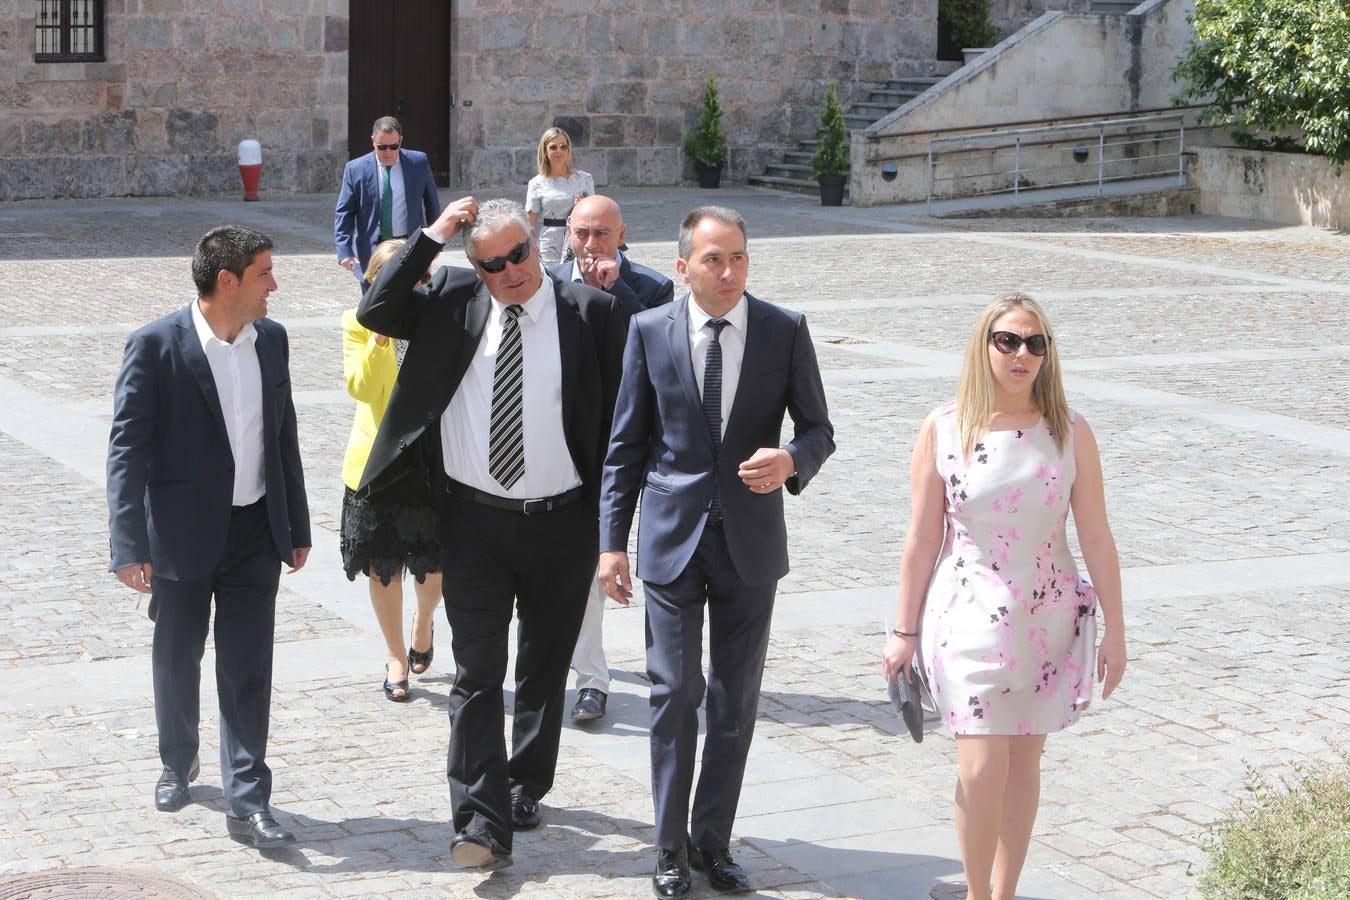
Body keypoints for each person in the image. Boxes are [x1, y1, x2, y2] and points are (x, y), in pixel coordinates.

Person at [357, 197, 628, 872]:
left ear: (535, 242)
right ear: (473, 266)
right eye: (492, 263)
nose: (511, 271)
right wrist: (433, 237)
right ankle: (478, 820)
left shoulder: (591, 314)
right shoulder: (450, 297)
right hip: (472, 520)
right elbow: (377, 310)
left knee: (542, 667)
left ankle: (525, 783)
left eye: (519, 254)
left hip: (562, 520)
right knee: (477, 673)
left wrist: (611, 529)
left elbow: (619, 429)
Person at [599, 206, 835, 898]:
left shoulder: (783, 330)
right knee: (674, 693)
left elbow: (819, 428)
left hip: (751, 543)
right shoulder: (649, 331)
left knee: (734, 703)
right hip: (671, 541)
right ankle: (668, 847)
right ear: (683, 267)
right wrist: (612, 544)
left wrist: (792, 458)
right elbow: (625, 448)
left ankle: (712, 842)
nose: (728, 272)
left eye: (738, 258)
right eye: (712, 259)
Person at [881, 292, 1126, 900]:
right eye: (1008, 340)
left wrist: (1117, 629)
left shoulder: (1070, 432)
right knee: (981, 765)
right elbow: (921, 536)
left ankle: (1004, 891)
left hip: (1048, 616)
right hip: (967, 612)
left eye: (1036, 343)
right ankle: (974, 893)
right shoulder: (944, 427)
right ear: (983, 346)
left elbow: (1095, 534)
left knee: (1022, 765)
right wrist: (902, 630)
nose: (1023, 354)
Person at [106, 225, 311, 850]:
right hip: (179, 533)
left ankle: (248, 799)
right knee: (177, 657)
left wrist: (295, 524)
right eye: (265, 273)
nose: (275, 284)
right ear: (229, 281)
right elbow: (127, 451)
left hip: (255, 530)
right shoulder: (154, 346)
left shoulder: (270, 340)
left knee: (249, 667)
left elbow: (284, 436)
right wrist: (127, 544)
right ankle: (177, 759)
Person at [548, 193, 675, 722]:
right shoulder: (550, 281)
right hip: (558, 438)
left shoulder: (651, 287)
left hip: (624, 441)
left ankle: (610, 678)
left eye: (602, 233)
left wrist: (614, 290)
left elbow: (658, 350)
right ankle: (580, 675)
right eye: (582, 233)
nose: (590, 244)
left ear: (622, 235)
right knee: (569, 566)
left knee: (607, 560)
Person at [340, 238, 444, 702]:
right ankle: (396, 655)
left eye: (415, 280)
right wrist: (380, 336)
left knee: (435, 566)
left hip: (430, 455)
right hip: (378, 461)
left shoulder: (434, 317)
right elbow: (361, 388)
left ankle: (424, 623)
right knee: (384, 569)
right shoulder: (358, 323)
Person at [335, 115, 442, 281]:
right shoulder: (355, 169)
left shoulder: (418, 162)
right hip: (372, 250)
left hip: (409, 245)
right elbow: (344, 213)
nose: (388, 152)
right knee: (373, 303)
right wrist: (344, 252)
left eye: (394, 146)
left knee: (412, 299)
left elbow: (432, 205)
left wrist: (434, 245)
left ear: (401, 141)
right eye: (382, 147)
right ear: (373, 141)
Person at [525, 127, 593, 267]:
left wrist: (583, 205)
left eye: (563, 146)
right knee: (552, 281)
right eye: (553, 147)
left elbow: (595, 214)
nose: (559, 151)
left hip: (578, 239)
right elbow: (530, 225)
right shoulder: (536, 183)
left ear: (568, 149)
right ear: (545, 150)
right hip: (549, 244)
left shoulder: (584, 179)